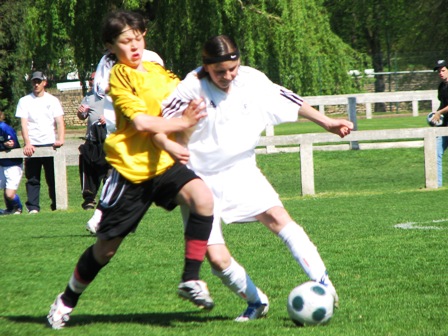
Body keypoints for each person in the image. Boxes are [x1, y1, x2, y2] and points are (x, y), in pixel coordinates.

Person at [158, 35, 354, 322]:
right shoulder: (190, 88)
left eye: (232, 69)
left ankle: (324, 284)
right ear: (205, 67)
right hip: (199, 180)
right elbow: (160, 124)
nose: (227, 77)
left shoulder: (250, 79)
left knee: (277, 217)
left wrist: (327, 122)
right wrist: (175, 138)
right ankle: (256, 301)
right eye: (219, 72)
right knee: (216, 258)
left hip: (241, 169)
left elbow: (288, 99)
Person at [47, 10, 215, 330]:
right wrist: (183, 123)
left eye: (139, 38)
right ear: (111, 45)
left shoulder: (158, 72)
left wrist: (212, 77)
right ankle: (66, 299)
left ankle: (190, 280)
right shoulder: (119, 76)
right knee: (105, 250)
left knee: (202, 198)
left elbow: (184, 93)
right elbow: (141, 122)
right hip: (131, 172)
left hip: (163, 165)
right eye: (126, 41)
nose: (135, 46)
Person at [15, 71, 65, 213]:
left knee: (53, 178)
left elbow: (60, 121)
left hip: (50, 145)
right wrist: (27, 143)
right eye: (34, 82)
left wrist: (60, 139)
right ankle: (33, 207)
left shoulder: (52, 100)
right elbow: (24, 124)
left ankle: (57, 205)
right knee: (32, 178)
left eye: (39, 81)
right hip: (33, 146)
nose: (36, 84)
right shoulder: (24, 101)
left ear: (44, 82)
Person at [77, 71, 110, 210]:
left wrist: (107, 118)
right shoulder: (89, 96)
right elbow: (82, 117)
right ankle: (89, 199)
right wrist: (81, 112)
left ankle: (109, 199)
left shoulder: (112, 96)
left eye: (93, 79)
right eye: (89, 79)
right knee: (89, 166)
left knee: (109, 170)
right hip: (92, 139)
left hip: (109, 139)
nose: (90, 82)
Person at [0, 111, 23, 215]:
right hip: (2, 164)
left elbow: (12, 144)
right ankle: (9, 209)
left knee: (9, 194)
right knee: (5, 189)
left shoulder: (4, 128)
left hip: (12, 164)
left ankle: (18, 208)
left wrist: (6, 144)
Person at [430, 59, 448, 187]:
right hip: (445, 127)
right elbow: (442, 105)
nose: (440, 73)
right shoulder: (441, 87)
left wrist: (439, 113)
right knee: (436, 153)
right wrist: (435, 116)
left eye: (443, 70)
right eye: (438, 71)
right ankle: (437, 185)